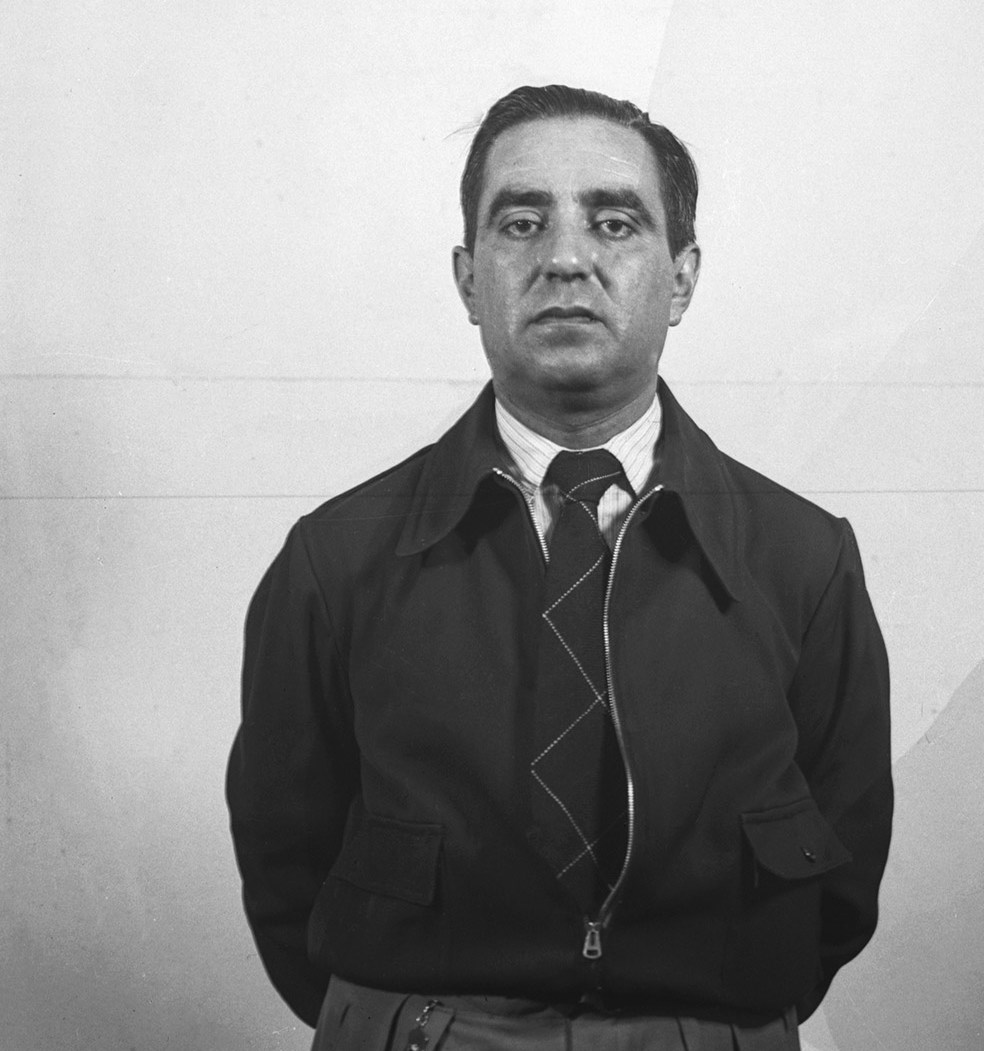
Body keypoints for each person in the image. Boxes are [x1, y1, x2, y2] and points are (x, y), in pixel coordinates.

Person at [227, 84, 892, 1050]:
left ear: (682, 278)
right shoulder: (336, 559)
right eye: (521, 222)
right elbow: (285, 864)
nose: (566, 258)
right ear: (468, 279)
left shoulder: (804, 558)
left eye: (614, 222)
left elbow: (841, 872)